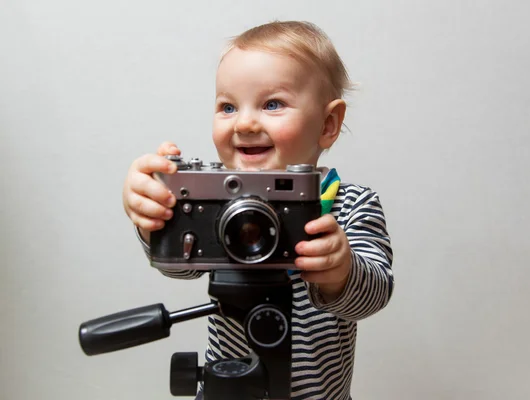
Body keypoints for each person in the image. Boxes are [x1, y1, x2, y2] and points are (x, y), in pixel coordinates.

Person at [122, 20, 394, 400]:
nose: (245, 123)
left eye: (272, 104)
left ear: (328, 123)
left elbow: (374, 295)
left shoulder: (351, 204)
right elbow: (179, 267)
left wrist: (341, 271)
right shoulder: (218, 200)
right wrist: (155, 216)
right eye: (228, 106)